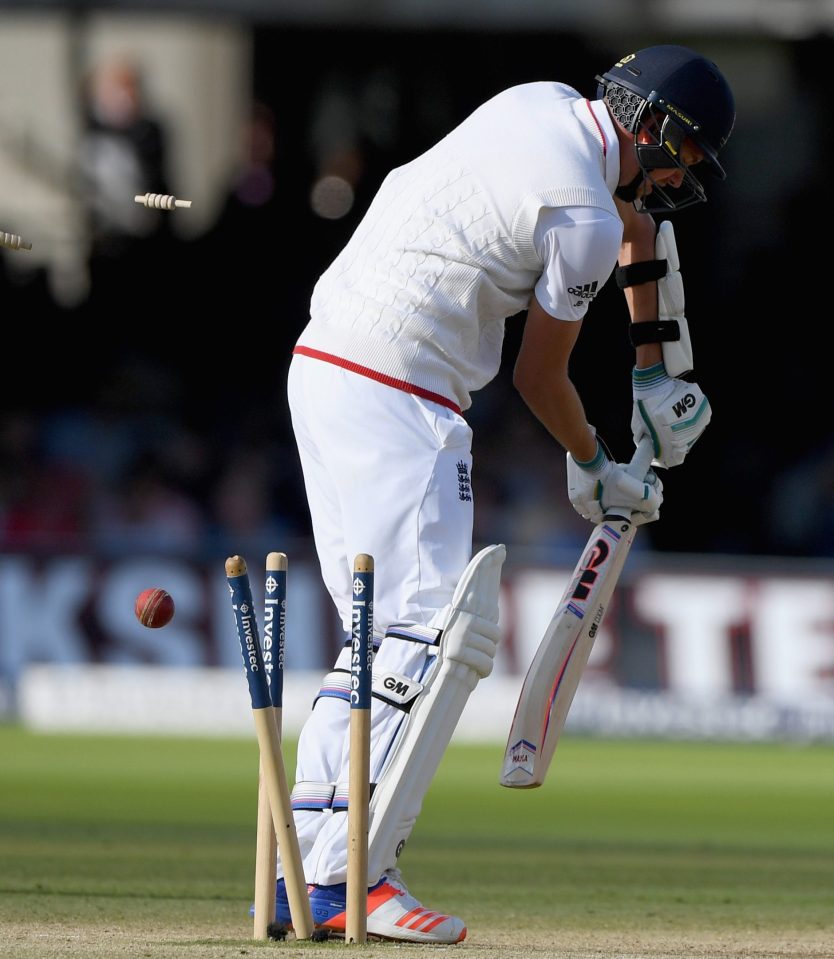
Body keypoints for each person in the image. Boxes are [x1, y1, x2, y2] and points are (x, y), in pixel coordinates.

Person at [276, 44, 735, 942]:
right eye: (684, 154)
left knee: (380, 634)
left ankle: (310, 863)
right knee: (426, 632)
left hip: (325, 364)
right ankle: (344, 881)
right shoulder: (582, 215)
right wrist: (597, 463)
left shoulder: (542, 104)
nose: (682, 177)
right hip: (401, 390)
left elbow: (635, 227)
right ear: (653, 127)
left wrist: (652, 369)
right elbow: (538, 375)